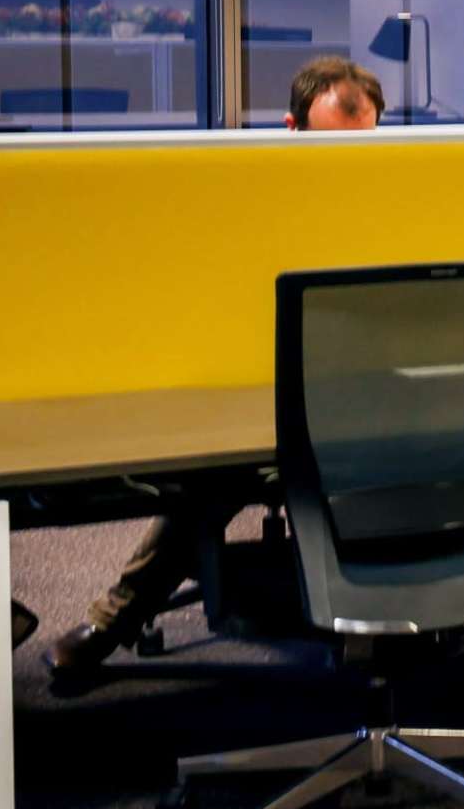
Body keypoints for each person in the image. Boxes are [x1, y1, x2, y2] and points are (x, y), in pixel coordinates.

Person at [46, 56, 387, 688]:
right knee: (213, 478)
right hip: (258, 403)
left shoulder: (394, 197)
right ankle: (110, 623)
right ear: (291, 129)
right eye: (331, 149)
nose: (347, 167)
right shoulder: (247, 199)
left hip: (361, 402)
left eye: (362, 148)